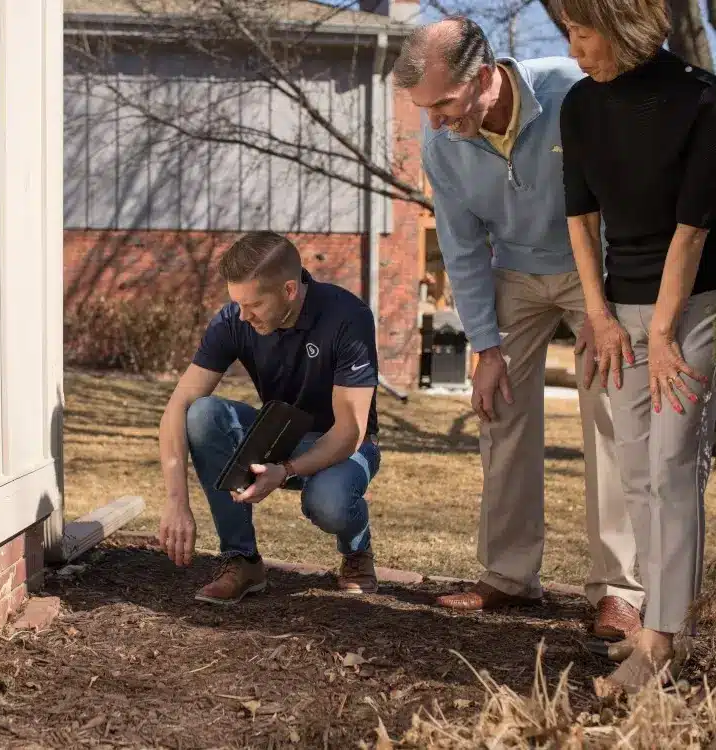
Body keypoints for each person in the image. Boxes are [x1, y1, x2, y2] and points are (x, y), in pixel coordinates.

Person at [391, 17, 644, 639]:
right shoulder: (442, 145)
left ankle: (620, 590)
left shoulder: (570, 92)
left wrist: (607, 307)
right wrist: (486, 347)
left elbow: (628, 197)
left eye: (445, 104)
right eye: (426, 110)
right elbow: (462, 247)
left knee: (613, 417)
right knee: (498, 409)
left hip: (600, 271)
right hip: (519, 275)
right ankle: (507, 577)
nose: (437, 122)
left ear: (483, 76)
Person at [553, 0, 716, 693]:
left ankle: (661, 641)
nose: (573, 47)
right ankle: (656, 621)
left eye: (581, 32)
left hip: (697, 306)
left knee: (674, 459)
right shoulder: (579, 107)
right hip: (621, 306)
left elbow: (693, 232)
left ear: (619, 29)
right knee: (638, 468)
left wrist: (661, 329)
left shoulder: (701, 103)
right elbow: (580, 220)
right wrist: (600, 314)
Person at [156, 231, 382, 604]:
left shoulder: (348, 317)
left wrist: (287, 470)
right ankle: (241, 560)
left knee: (329, 503)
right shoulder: (235, 319)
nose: (243, 315)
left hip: (344, 444)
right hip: (279, 435)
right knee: (202, 414)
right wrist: (177, 501)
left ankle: (357, 550)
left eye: (254, 304)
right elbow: (177, 406)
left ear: (290, 290)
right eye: (238, 304)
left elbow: (349, 431)